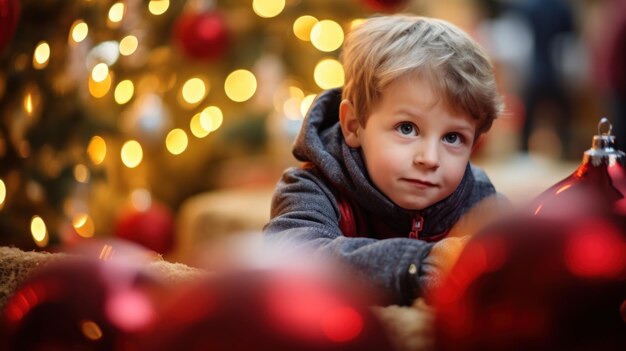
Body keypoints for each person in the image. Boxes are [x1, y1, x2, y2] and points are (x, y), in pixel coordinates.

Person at [263, 14, 505, 306]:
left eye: (452, 138)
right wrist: (419, 265)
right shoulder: (311, 188)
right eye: (407, 128)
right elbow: (294, 259)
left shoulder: (478, 198)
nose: (429, 159)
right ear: (353, 125)